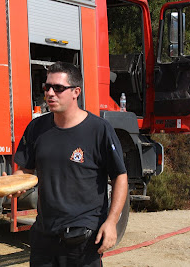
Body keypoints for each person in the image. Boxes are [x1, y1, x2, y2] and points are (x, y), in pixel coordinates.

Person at [11, 62, 128, 266]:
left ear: (76, 92)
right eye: (47, 87)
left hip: (82, 239)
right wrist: (15, 183)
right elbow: (25, 170)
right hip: (44, 237)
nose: (50, 93)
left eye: (58, 88)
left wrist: (111, 222)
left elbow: (120, 176)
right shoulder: (36, 128)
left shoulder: (98, 130)